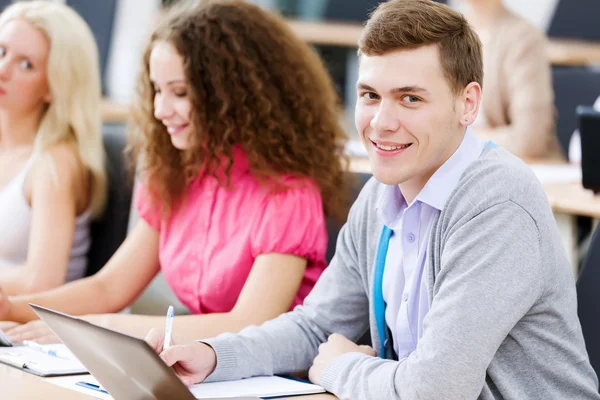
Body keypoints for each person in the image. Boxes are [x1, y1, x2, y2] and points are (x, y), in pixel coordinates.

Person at [144, 1, 600, 399]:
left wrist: (338, 367)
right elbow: (316, 327)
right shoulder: (381, 195)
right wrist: (212, 356)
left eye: (410, 99)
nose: (381, 122)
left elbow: (436, 391)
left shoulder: (497, 206)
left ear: (468, 104)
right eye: (370, 95)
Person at [0, 0, 348, 343]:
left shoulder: (287, 194)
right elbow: (108, 288)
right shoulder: (175, 175)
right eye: (157, 90)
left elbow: (248, 324)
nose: (161, 109)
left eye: (179, 92)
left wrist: (94, 328)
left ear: (233, 94)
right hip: (203, 369)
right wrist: (9, 307)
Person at [0, 1, 106, 295]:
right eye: (1, 51)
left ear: (53, 86)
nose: (2, 69)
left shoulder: (55, 162)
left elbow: (41, 281)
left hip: (25, 328)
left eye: (26, 64)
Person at [462, 0, 563, 161]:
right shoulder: (445, 35)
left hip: (519, 166)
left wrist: (459, 140)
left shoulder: (524, 38)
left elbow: (528, 140)